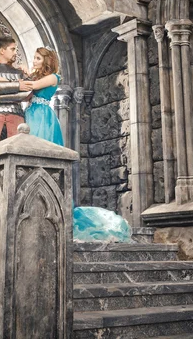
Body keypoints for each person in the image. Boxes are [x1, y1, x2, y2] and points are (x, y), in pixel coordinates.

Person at [24, 46, 131, 243]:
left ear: (46, 61)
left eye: (38, 58)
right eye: (34, 57)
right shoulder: (36, 78)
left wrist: (21, 78)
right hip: (30, 115)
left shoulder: (54, 77)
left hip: (42, 118)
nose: (34, 61)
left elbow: (30, 86)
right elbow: (25, 94)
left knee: (41, 155)